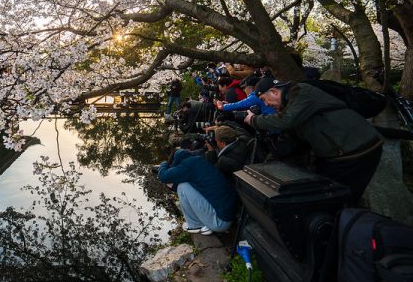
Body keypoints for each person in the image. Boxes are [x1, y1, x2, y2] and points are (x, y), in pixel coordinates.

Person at [244, 77, 383, 202]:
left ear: (274, 92)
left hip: (357, 150)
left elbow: (285, 121)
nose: (266, 105)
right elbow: (293, 140)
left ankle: (350, 224)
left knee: (336, 198)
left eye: (264, 99)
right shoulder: (291, 104)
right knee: (325, 194)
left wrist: (254, 120)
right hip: (340, 153)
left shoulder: (300, 92)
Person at [158, 152, 236, 235]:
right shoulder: (199, 161)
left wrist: (164, 164)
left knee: (182, 187)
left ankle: (196, 225)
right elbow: (194, 186)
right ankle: (202, 223)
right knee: (184, 186)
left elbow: (163, 176)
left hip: (220, 222)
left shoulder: (186, 166)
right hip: (228, 216)